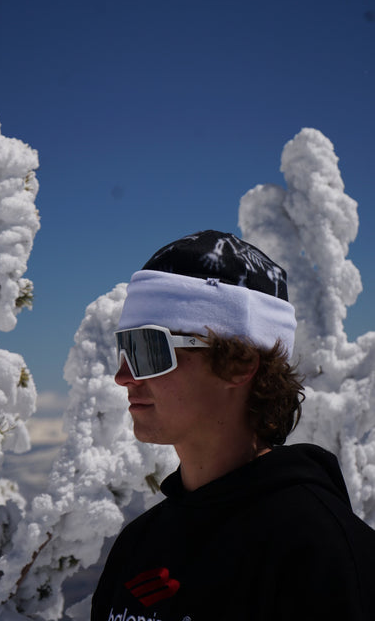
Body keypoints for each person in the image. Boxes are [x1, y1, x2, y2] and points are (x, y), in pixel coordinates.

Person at [91, 230, 375, 621]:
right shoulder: (139, 543)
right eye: (125, 348)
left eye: (149, 350)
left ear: (239, 363)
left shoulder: (321, 551)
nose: (123, 376)